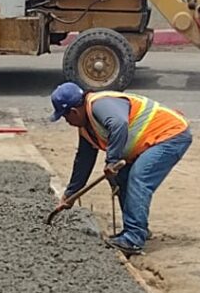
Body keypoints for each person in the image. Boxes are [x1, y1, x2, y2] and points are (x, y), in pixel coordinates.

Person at [49, 82, 191, 256]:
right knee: (121, 178)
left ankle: (133, 238)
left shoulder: (99, 104)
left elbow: (119, 124)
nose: (67, 122)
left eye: (65, 117)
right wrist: (70, 194)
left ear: (74, 112)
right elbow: (83, 162)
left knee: (138, 177)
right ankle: (137, 230)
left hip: (170, 135)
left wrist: (112, 161)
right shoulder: (85, 127)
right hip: (150, 141)